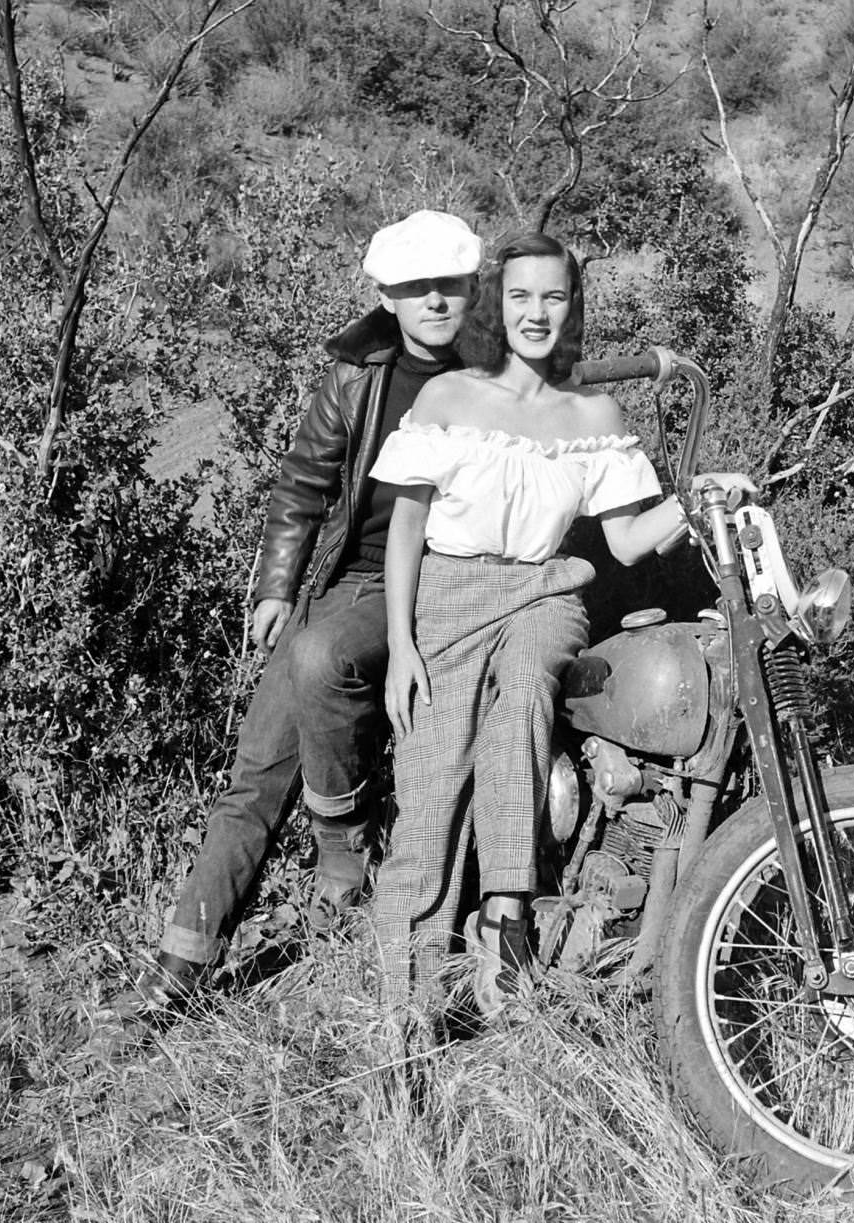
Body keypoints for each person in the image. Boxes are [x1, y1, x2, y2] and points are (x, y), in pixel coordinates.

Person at [369, 231, 752, 1018]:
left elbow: (624, 539)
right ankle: (399, 1020)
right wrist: (402, 645)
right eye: (520, 296)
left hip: (546, 592)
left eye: (553, 296)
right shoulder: (449, 400)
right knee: (431, 796)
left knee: (524, 697)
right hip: (446, 599)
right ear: (495, 306)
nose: (536, 313)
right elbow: (406, 528)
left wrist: (697, 497)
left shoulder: (593, 412)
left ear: (572, 306)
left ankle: (508, 919)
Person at [130, 210, 483, 1009]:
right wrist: (277, 585)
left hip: (448, 583)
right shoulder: (357, 376)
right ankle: (176, 970)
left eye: (449, 285)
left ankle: (342, 847)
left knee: (321, 657)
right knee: (256, 770)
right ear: (388, 297)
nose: (434, 301)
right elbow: (302, 485)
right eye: (415, 287)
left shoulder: (493, 374)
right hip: (353, 580)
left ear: (470, 289)